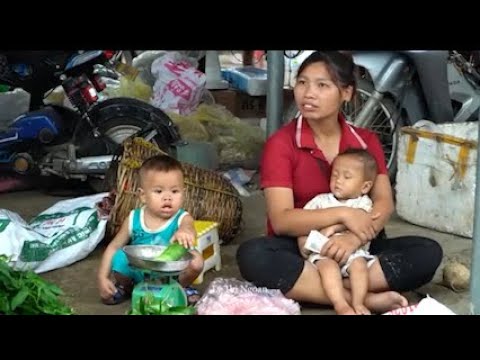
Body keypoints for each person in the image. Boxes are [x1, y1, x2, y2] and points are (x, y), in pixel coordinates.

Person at [236, 51, 443, 314]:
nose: (308, 93)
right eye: (302, 82)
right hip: (302, 247)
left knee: (427, 252)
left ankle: (317, 288)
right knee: (253, 256)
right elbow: (281, 220)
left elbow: (383, 202)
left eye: (322, 85)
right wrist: (345, 214)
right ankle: (362, 298)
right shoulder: (281, 143)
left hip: (359, 246)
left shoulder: (365, 141)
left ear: (347, 92)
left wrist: (353, 239)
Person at [97, 154, 204, 305]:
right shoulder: (134, 218)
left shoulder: (182, 217)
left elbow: (189, 227)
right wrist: (102, 277)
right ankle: (127, 287)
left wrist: (185, 231)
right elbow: (114, 246)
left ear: (183, 193)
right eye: (159, 191)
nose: (168, 198)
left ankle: (180, 287)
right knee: (119, 257)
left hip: (172, 273)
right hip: (140, 269)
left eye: (174, 191)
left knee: (196, 262)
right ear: (143, 196)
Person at [297, 148, 379, 315]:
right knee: (328, 268)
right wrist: (303, 244)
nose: (338, 181)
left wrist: (334, 227)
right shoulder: (320, 201)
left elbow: (364, 220)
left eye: (347, 177)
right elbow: (303, 223)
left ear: (365, 186)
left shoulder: (363, 203)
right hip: (324, 252)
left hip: (353, 253)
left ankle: (359, 302)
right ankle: (340, 304)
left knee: (360, 266)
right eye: (335, 175)